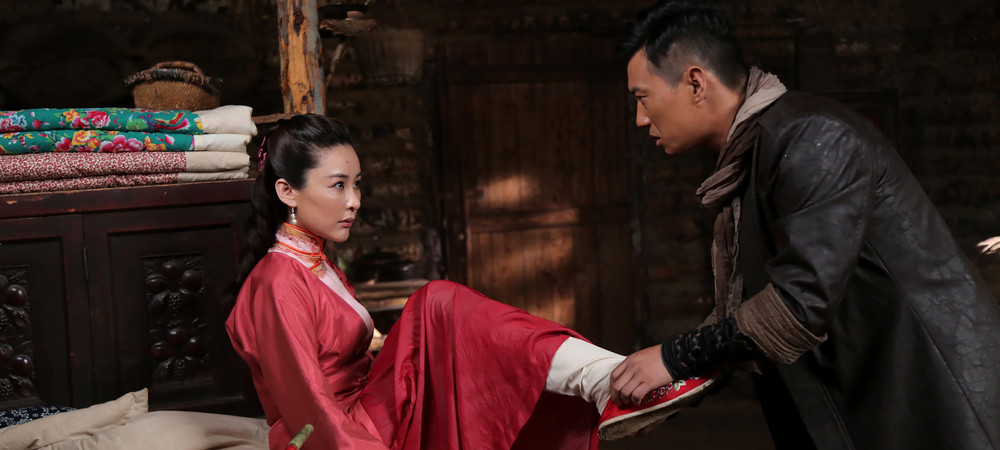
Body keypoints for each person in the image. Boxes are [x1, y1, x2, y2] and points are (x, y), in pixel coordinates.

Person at [608, 1, 1000, 449]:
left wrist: (676, 358)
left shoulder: (813, 136)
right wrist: (667, 383)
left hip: (931, 402)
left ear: (696, 83)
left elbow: (798, 305)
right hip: (870, 400)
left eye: (642, 97)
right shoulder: (754, 154)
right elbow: (749, 303)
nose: (640, 119)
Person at [224, 114, 714, 449]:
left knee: (454, 327)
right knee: (437, 303)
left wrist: (417, 352)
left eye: (357, 184)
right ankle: (610, 379)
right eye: (338, 185)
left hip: (369, 409)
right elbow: (308, 406)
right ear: (287, 191)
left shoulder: (315, 262)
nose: (354, 200)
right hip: (348, 437)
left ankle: (607, 380)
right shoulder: (277, 281)